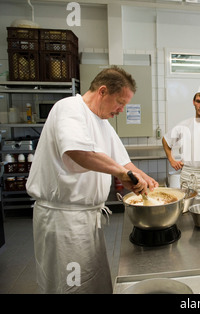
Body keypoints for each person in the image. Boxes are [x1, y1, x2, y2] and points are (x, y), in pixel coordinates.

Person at [26, 66, 158, 294]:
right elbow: (78, 152)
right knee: (72, 284)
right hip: (65, 220)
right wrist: (121, 174)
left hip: (87, 218)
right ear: (103, 91)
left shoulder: (102, 122)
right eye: (120, 102)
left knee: (90, 283)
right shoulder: (69, 108)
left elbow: (122, 161)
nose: (122, 109)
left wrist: (143, 177)